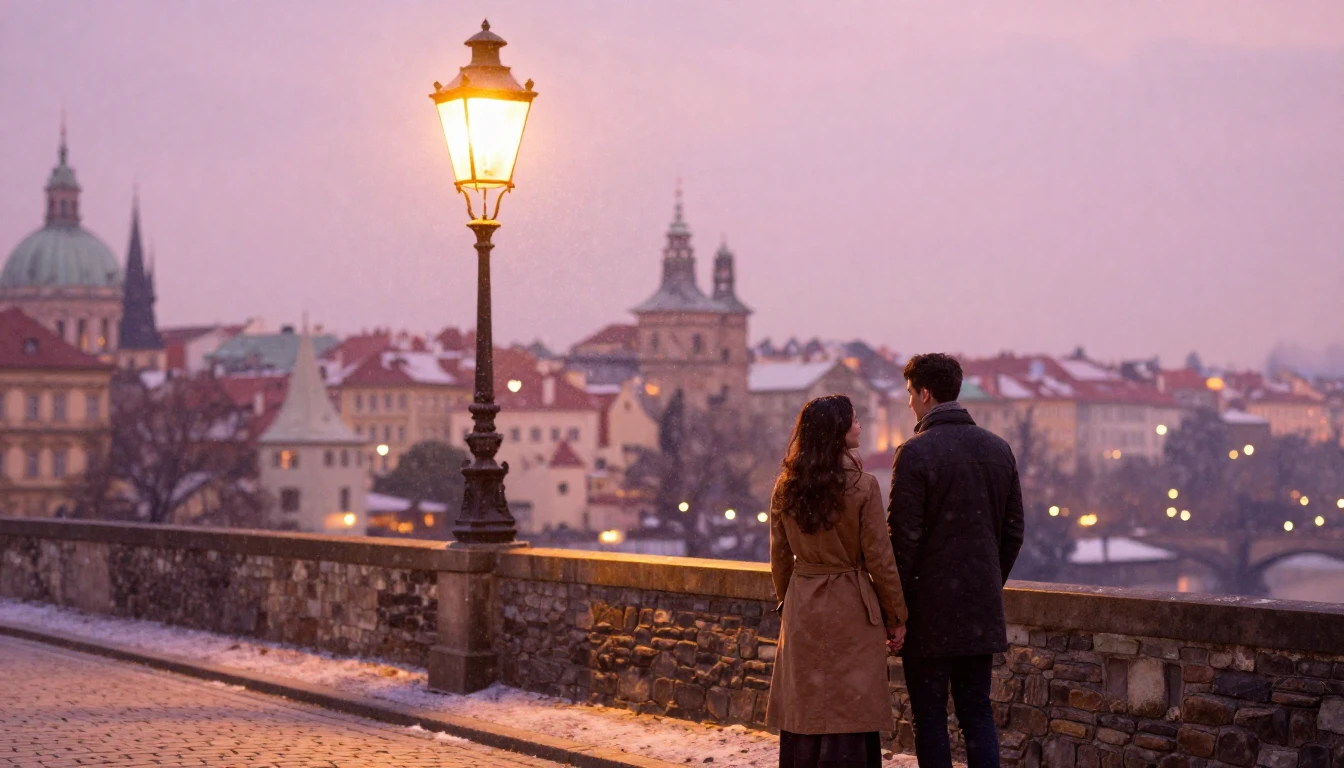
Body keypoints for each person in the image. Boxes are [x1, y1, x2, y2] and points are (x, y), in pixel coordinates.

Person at [888, 353, 1024, 768]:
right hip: (979, 608)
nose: (909, 402)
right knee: (977, 713)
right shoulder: (998, 450)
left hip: (928, 612)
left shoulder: (915, 453)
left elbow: (902, 540)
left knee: (930, 718)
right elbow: (1013, 532)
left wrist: (899, 606)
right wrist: (985, 581)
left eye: (911, 393)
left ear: (926, 393)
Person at [767, 394, 909, 768]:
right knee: (852, 698)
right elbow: (880, 557)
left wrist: (789, 601)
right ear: (838, 431)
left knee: (807, 701)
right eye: (854, 420)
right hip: (851, 603)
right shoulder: (863, 486)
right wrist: (896, 616)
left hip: (803, 600)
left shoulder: (786, 486)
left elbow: (779, 557)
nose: (859, 425)